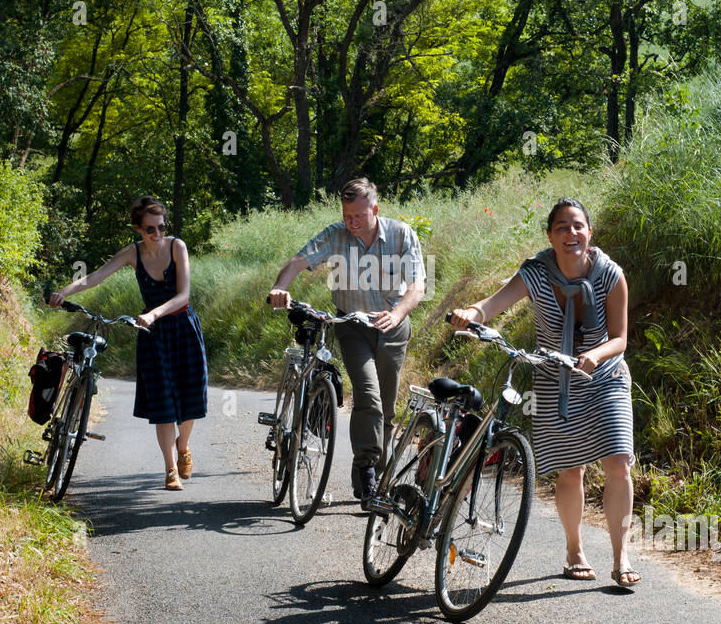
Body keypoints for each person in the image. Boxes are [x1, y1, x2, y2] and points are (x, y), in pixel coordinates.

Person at [449, 198, 639, 588]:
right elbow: (492, 304)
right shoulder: (536, 274)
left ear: (590, 232)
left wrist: (594, 355)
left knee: (619, 463)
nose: (571, 234)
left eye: (577, 226)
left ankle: (621, 559)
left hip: (605, 377)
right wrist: (471, 313)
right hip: (554, 379)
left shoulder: (610, 274)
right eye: (561, 228)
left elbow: (620, 339)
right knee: (571, 472)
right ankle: (574, 550)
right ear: (550, 237)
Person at [269, 178, 426, 509]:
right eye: (346, 215)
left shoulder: (401, 234)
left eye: (358, 216)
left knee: (385, 406)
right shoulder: (335, 234)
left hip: (392, 326)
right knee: (367, 395)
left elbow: (417, 285)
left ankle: (373, 483)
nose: (351, 222)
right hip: (352, 325)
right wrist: (280, 287)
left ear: (375, 210)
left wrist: (397, 315)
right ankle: (368, 471)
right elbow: (299, 260)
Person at [49, 196, 207, 490]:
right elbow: (95, 277)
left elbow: (183, 295)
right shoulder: (133, 253)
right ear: (138, 228)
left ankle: (183, 446)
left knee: (190, 399)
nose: (157, 234)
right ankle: (170, 469)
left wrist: (154, 313)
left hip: (183, 327)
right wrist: (64, 291)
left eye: (161, 227)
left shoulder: (177, 246)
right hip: (153, 335)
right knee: (163, 405)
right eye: (150, 229)